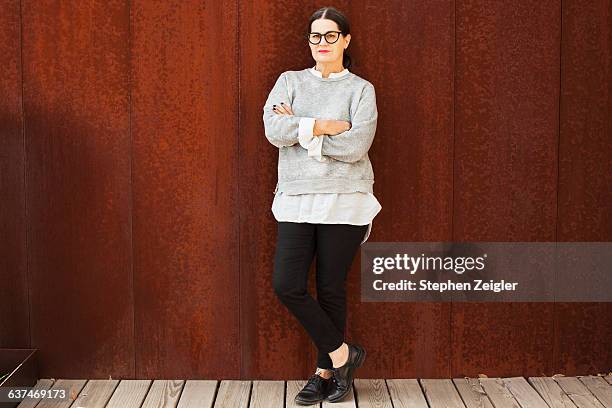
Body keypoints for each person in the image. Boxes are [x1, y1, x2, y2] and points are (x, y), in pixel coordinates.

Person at [262, 6, 381, 405]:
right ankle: (345, 354)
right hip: (297, 197)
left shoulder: (361, 90)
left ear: (346, 41)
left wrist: (303, 126)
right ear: (309, 42)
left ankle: (325, 373)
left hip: (345, 199)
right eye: (317, 36)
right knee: (287, 284)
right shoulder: (289, 81)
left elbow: (356, 146)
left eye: (332, 36)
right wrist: (327, 125)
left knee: (330, 288)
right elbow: (274, 131)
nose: (323, 43)